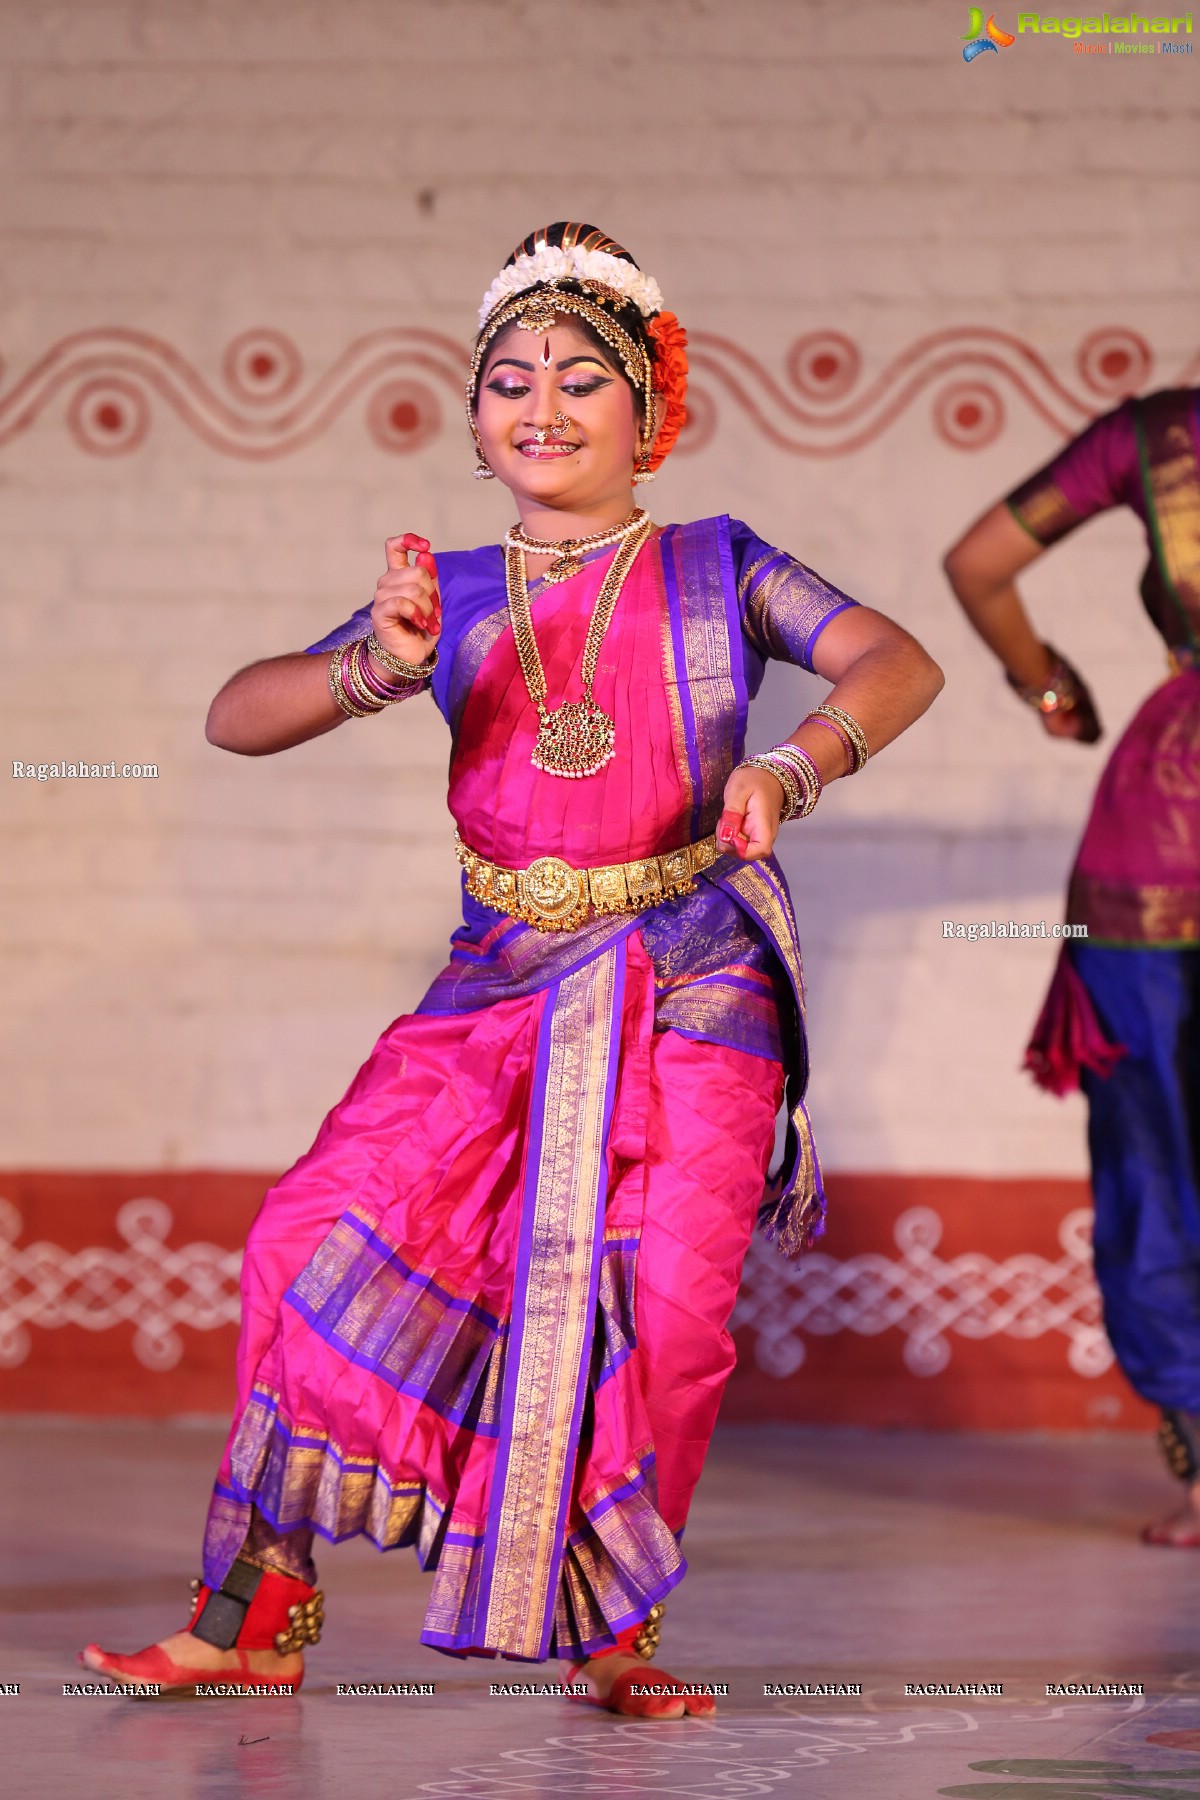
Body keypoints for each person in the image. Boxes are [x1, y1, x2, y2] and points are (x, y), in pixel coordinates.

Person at [83, 223, 942, 1715]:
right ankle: (258, 1613)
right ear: (475, 419)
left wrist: (797, 767)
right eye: (508, 380)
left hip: (695, 978)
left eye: (580, 378)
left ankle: (615, 1634)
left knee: (666, 1308)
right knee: (303, 1237)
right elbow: (236, 714)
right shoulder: (450, 593)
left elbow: (897, 662)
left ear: (649, 410)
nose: (540, 405)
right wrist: (380, 666)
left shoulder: (720, 565)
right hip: (501, 980)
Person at [943, 385, 1200, 1546]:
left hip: (1155, 835)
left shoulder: (1160, 437)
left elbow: (977, 564)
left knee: (1158, 1153)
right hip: (1155, 858)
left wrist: (1048, 684)